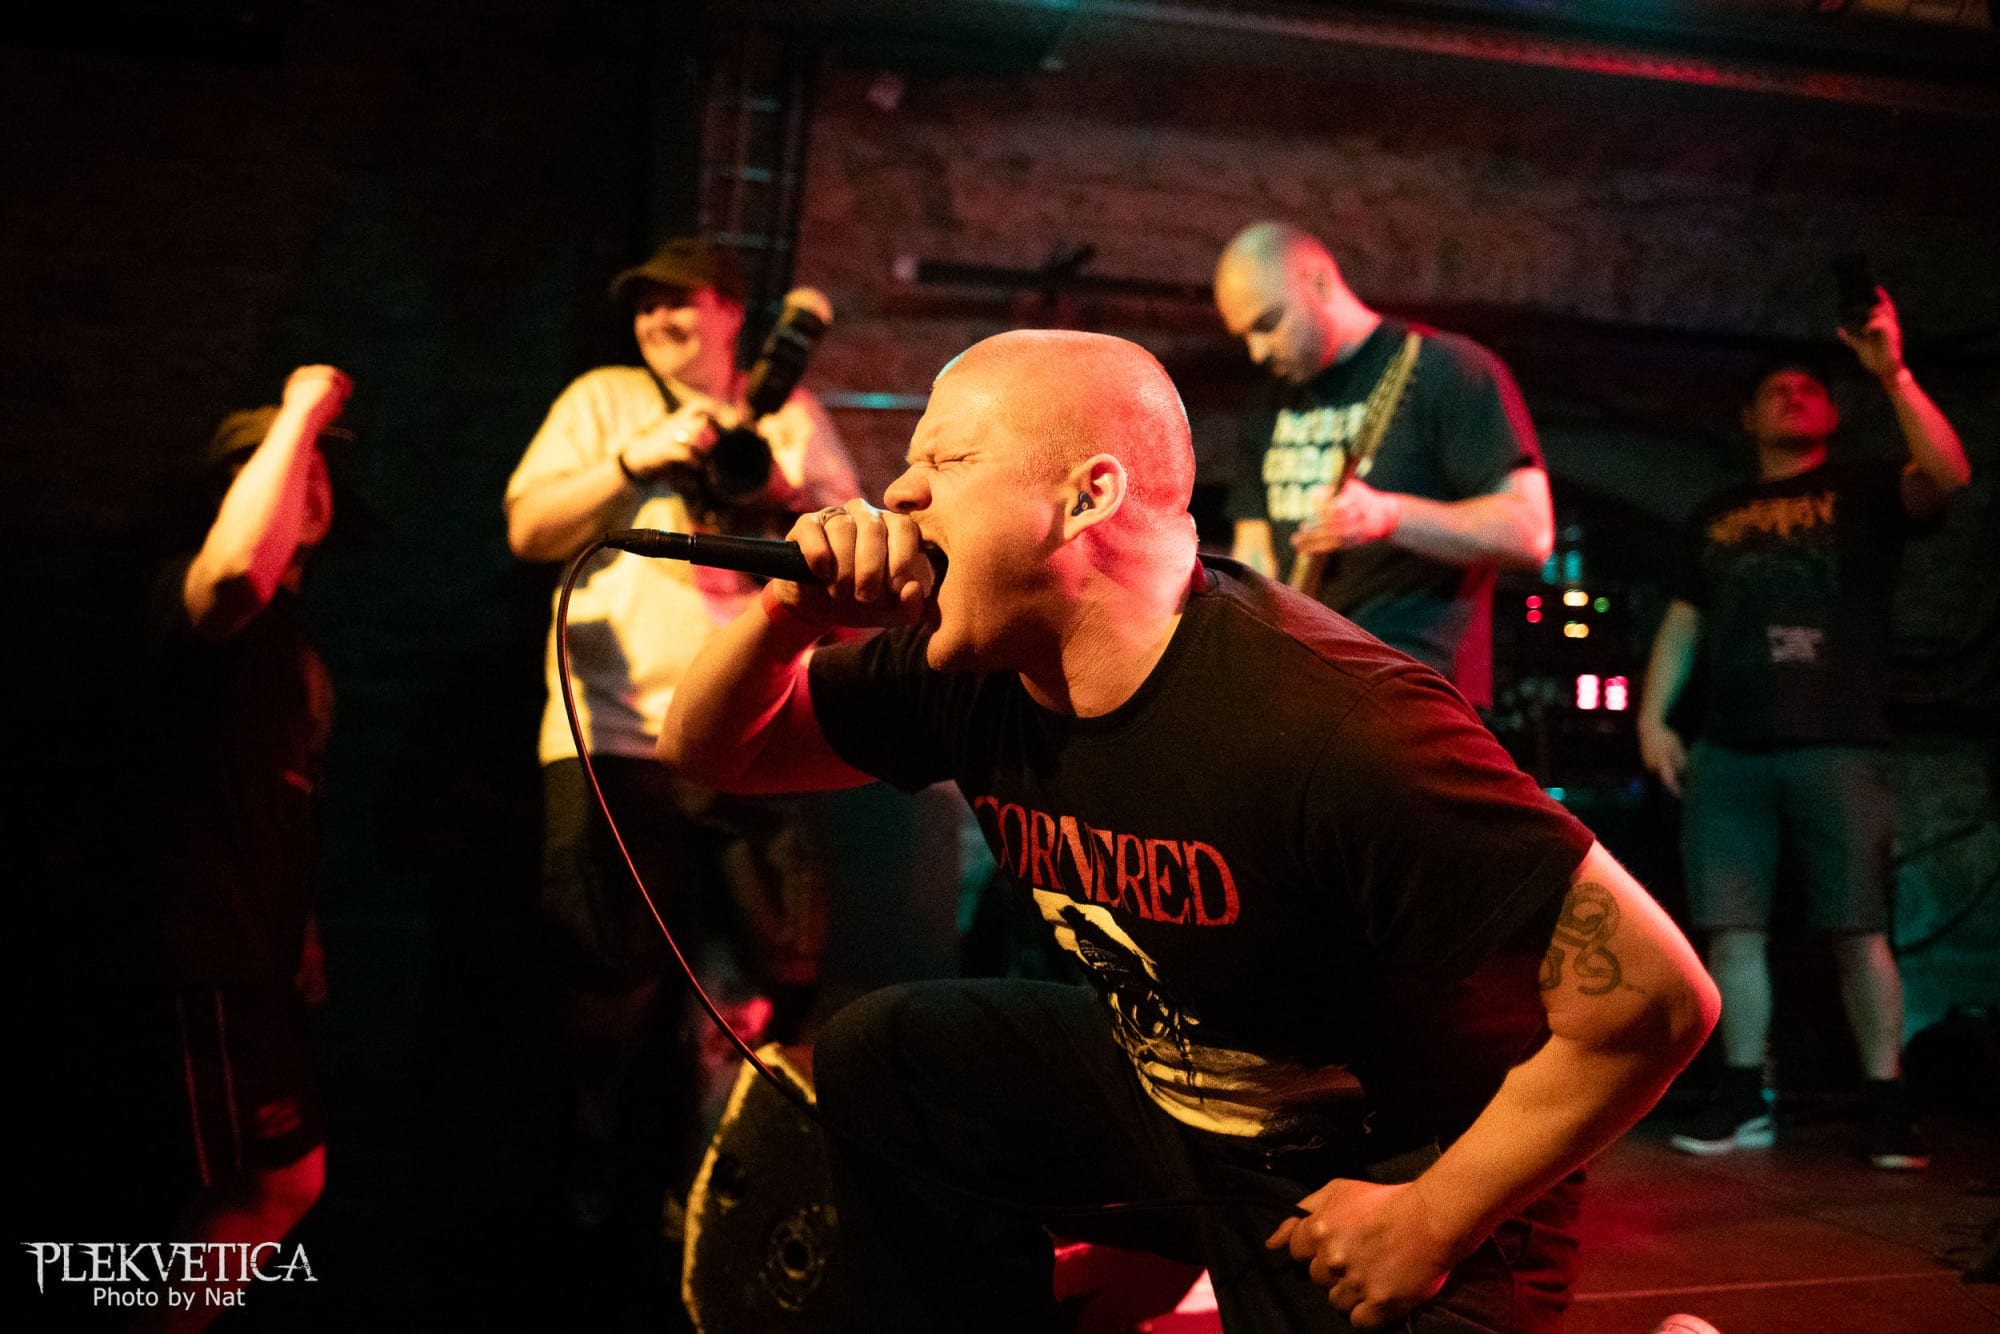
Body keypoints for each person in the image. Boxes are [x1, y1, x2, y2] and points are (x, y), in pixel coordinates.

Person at [659, 329, 1719, 1332]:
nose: (897, 493)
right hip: (1189, 1102)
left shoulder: (1332, 723)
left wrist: (1432, 1218)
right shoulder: (979, 663)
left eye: (946, 459)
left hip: (1389, 1161)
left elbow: (1657, 997)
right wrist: (787, 616)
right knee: (893, 1055)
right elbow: (715, 751)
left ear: (1088, 495)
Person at [504, 238, 859, 1314]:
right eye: (643, 305)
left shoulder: (790, 413)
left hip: (761, 736)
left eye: (678, 302)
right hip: (613, 738)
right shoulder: (604, 399)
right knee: (606, 983)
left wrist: (783, 491)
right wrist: (635, 460)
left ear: (732, 311)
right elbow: (528, 527)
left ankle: (734, 1192)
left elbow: (856, 554)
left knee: (777, 974)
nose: (657, 320)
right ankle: (594, 1175)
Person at [1638, 287, 1971, 1170]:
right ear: (1747, 418)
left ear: (1833, 413)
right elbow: (1684, 621)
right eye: (1776, 390)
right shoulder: (1717, 515)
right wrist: (1652, 715)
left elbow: (1948, 475)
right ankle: (1744, 1097)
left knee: (1859, 928)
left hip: (1839, 744)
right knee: (1731, 931)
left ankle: (1886, 1105)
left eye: (1810, 388)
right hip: (1729, 750)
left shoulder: (1864, 488)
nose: (1793, 394)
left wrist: (1893, 374)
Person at [128, 365, 352, 1327]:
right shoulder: (196, 591)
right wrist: (302, 407)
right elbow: (233, 574)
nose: (310, 478)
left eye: (321, 467)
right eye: (287, 466)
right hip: (202, 951)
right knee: (275, 1182)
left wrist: (302, 931)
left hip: (253, 959)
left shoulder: (295, 641)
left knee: (261, 1188)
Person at [1215, 221, 1554, 706]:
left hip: (1417, 691)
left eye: (1268, 323)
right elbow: (1255, 557)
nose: (1257, 352)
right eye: (1244, 336)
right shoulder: (1269, 404)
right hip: (1310, 687)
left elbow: (1531, 533)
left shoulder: (1444, 369)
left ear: (1319, 283)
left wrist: (1387, 517)